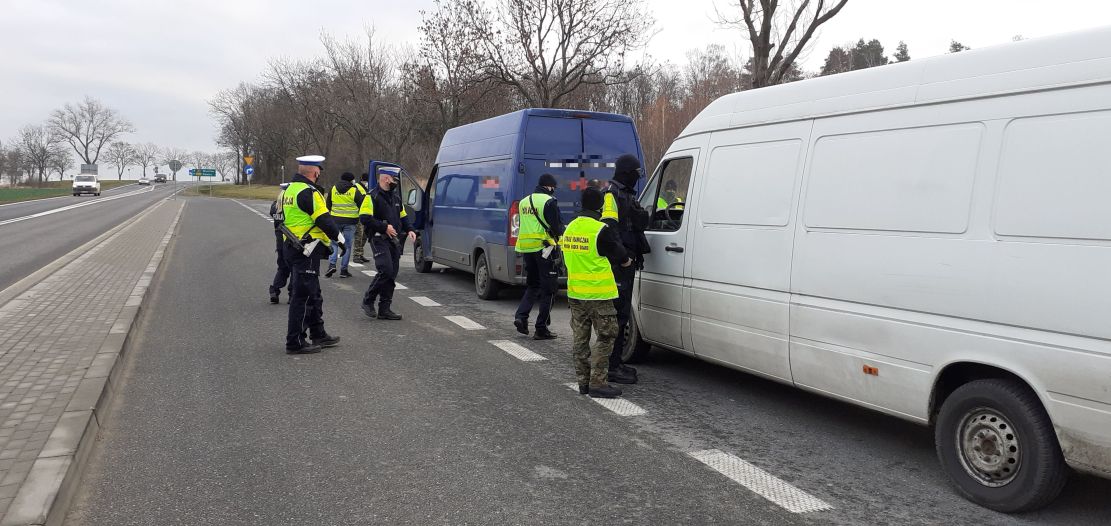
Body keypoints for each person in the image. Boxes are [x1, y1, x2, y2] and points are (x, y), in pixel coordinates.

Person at [562, 187, 632, 399]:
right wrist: (627, 262)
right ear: (600, 206)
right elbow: (620, 254)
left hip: (576, 294)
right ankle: (598, 382)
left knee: (580, 339)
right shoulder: (600, 229)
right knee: (607, 335)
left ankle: (583, 382)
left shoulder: (570, 228)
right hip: (598, 295)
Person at [282, 155, 345, 354]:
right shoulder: (309, 192)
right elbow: (323, 219)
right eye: (319, 171)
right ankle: (295, 342)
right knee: (302, 297)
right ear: (315, 172)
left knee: (314, 294)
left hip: (291, 246)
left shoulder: (288, 190)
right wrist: (340, 239)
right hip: (306, 249)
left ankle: (318, 333)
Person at [601, 153, 651, 385]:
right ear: (626, 173)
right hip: (619, 265)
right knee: (618, 314)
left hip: (626, 262)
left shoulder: (625, 193)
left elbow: (636, 223)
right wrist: (623, 259)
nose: (637, 177)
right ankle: (611, 367)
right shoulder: (612, 194)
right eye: (635, 173)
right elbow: (610, 231)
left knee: (621, 314)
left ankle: (616, 362)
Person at [360, 166, 415, 321]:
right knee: (385, 270)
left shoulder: (396, 198)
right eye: (394, 179)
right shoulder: (371, 196)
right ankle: (368, 300)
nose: (395, 182)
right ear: (386, 179)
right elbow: (364, 218)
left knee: (392, 275)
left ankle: (385, 309)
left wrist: (410, 229)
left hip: (394, 241)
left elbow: (403, 216)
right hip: (378, 239)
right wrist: (384, 227)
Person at [513, 173, 564, 340]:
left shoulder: (524, 201)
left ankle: (521, 317)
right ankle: (541, 328)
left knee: (533, 285)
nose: (554, 190)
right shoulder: (549, 201)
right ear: (548, 186)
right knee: (549, 290)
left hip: (527, 248)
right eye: (553, 188)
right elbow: (556, 227)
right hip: (545, 249)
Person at [325, 172, 363, 278]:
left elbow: (328, 205)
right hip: (351, 222)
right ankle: (344, 270)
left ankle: (332, 265)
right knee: (347, 246)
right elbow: (362, 204)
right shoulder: (354, 190)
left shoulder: (333, 189)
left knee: (334, 243)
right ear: (351, 180)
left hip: (335, 221)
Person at [268, 183, 291, 304]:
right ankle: (292, 295)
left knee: (282, 267)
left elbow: (272, 213)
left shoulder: (276, 205)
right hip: (291, 240)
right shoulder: (290, 205)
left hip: (280, 242)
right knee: (295, 269)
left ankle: (274, 290)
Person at [351, 173, 371, 264]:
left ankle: (360, 254)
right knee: (359, 236)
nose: (367, 182)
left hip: (366, 215)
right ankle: (356, 256)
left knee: (364, 236)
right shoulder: (356, 187)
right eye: (366, 180)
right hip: (358, 215)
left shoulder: (366, 188)